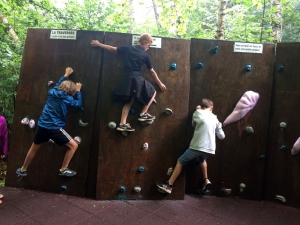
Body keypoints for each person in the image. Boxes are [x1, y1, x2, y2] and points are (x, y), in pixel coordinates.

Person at [90, 33, 166, 132]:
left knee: (129, 101)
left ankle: (122, 123)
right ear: (145, 42)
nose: (149, 48)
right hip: (136, 78)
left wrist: (98, 44)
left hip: (127, 78)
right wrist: (160, 84)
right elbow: (151, 71)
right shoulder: (145, 55)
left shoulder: (129, 48)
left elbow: (113, 49)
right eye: (149, 45)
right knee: (153, 92)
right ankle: (143, 113)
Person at [16, 67, 82, 177]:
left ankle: (23, 169)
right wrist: (79, 91)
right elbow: (78, 104)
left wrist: (65, 75)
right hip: (55, 128)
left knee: (34, 147)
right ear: (72, 91)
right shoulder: (68, 99)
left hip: (42, 126)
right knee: (74, 146)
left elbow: (57, 85)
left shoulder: (52, 92)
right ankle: (63, 169)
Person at [156, 98, 225, 194]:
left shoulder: (197, 113)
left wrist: (198, 110)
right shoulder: (215, 118)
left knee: (180, 161)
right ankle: (206, 180)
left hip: (197, 146)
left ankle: (169, 184)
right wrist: (220, 126)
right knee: (202, 159)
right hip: (209, 149)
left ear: (201, 106)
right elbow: (222, 136)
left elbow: (193, 124)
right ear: (211, 107)